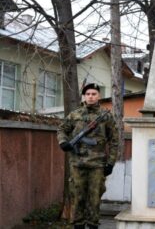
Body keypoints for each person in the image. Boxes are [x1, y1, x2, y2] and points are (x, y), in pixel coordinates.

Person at [57, 83, 118, 229]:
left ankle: (92, 225)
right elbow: (61, 129)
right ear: (84, 96)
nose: (91, 96)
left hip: (97, 165)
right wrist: (63, 142)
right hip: (77, 164)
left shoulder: (106, 116)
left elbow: (114, 141)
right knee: (77, 197)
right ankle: (77, 225)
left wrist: (110, 163)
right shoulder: (75, 114)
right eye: (88, 94)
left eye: (94, 94)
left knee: (94, 198)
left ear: (99, 96)